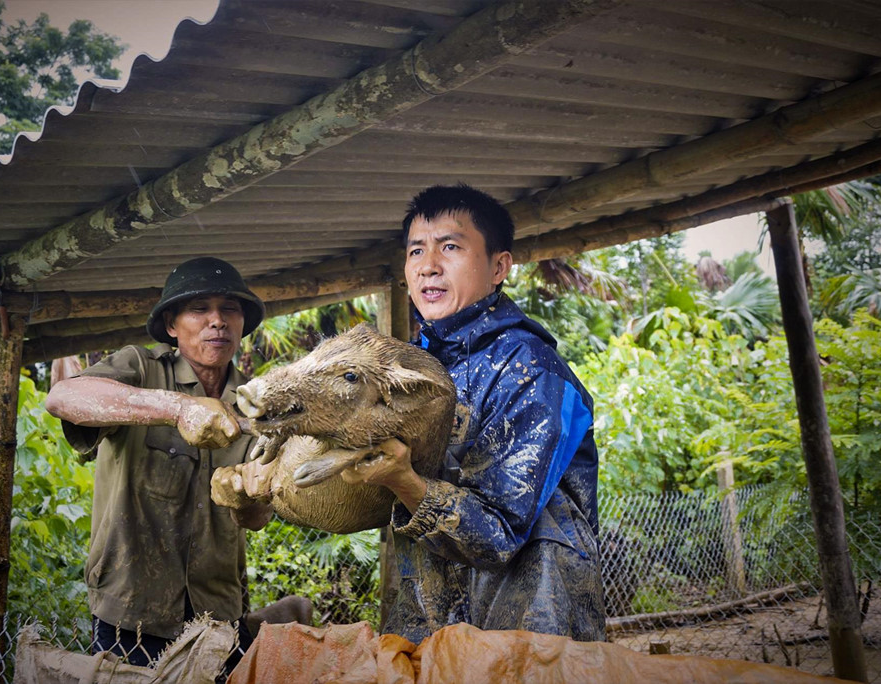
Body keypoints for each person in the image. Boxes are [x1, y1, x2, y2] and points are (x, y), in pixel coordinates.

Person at [339, 184, 606, 643]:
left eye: (450, 247)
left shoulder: (531, 369)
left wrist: (404, 480)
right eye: (416, 250)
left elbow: (500, 533)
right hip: (434, 615)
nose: (428, 266)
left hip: (532, 624)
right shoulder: (412, 368)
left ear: (499, 266)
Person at [46, 257, 305, 667]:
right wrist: (176, 407)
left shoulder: (255, 404)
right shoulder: (140, 368)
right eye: (199, 309)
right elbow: (63, 398)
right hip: (131, 611)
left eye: (229, 309)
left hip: (218, 612)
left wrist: (249, 499)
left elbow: (256, 519)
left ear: (242, 324)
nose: (217, 321)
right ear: (171, 325)